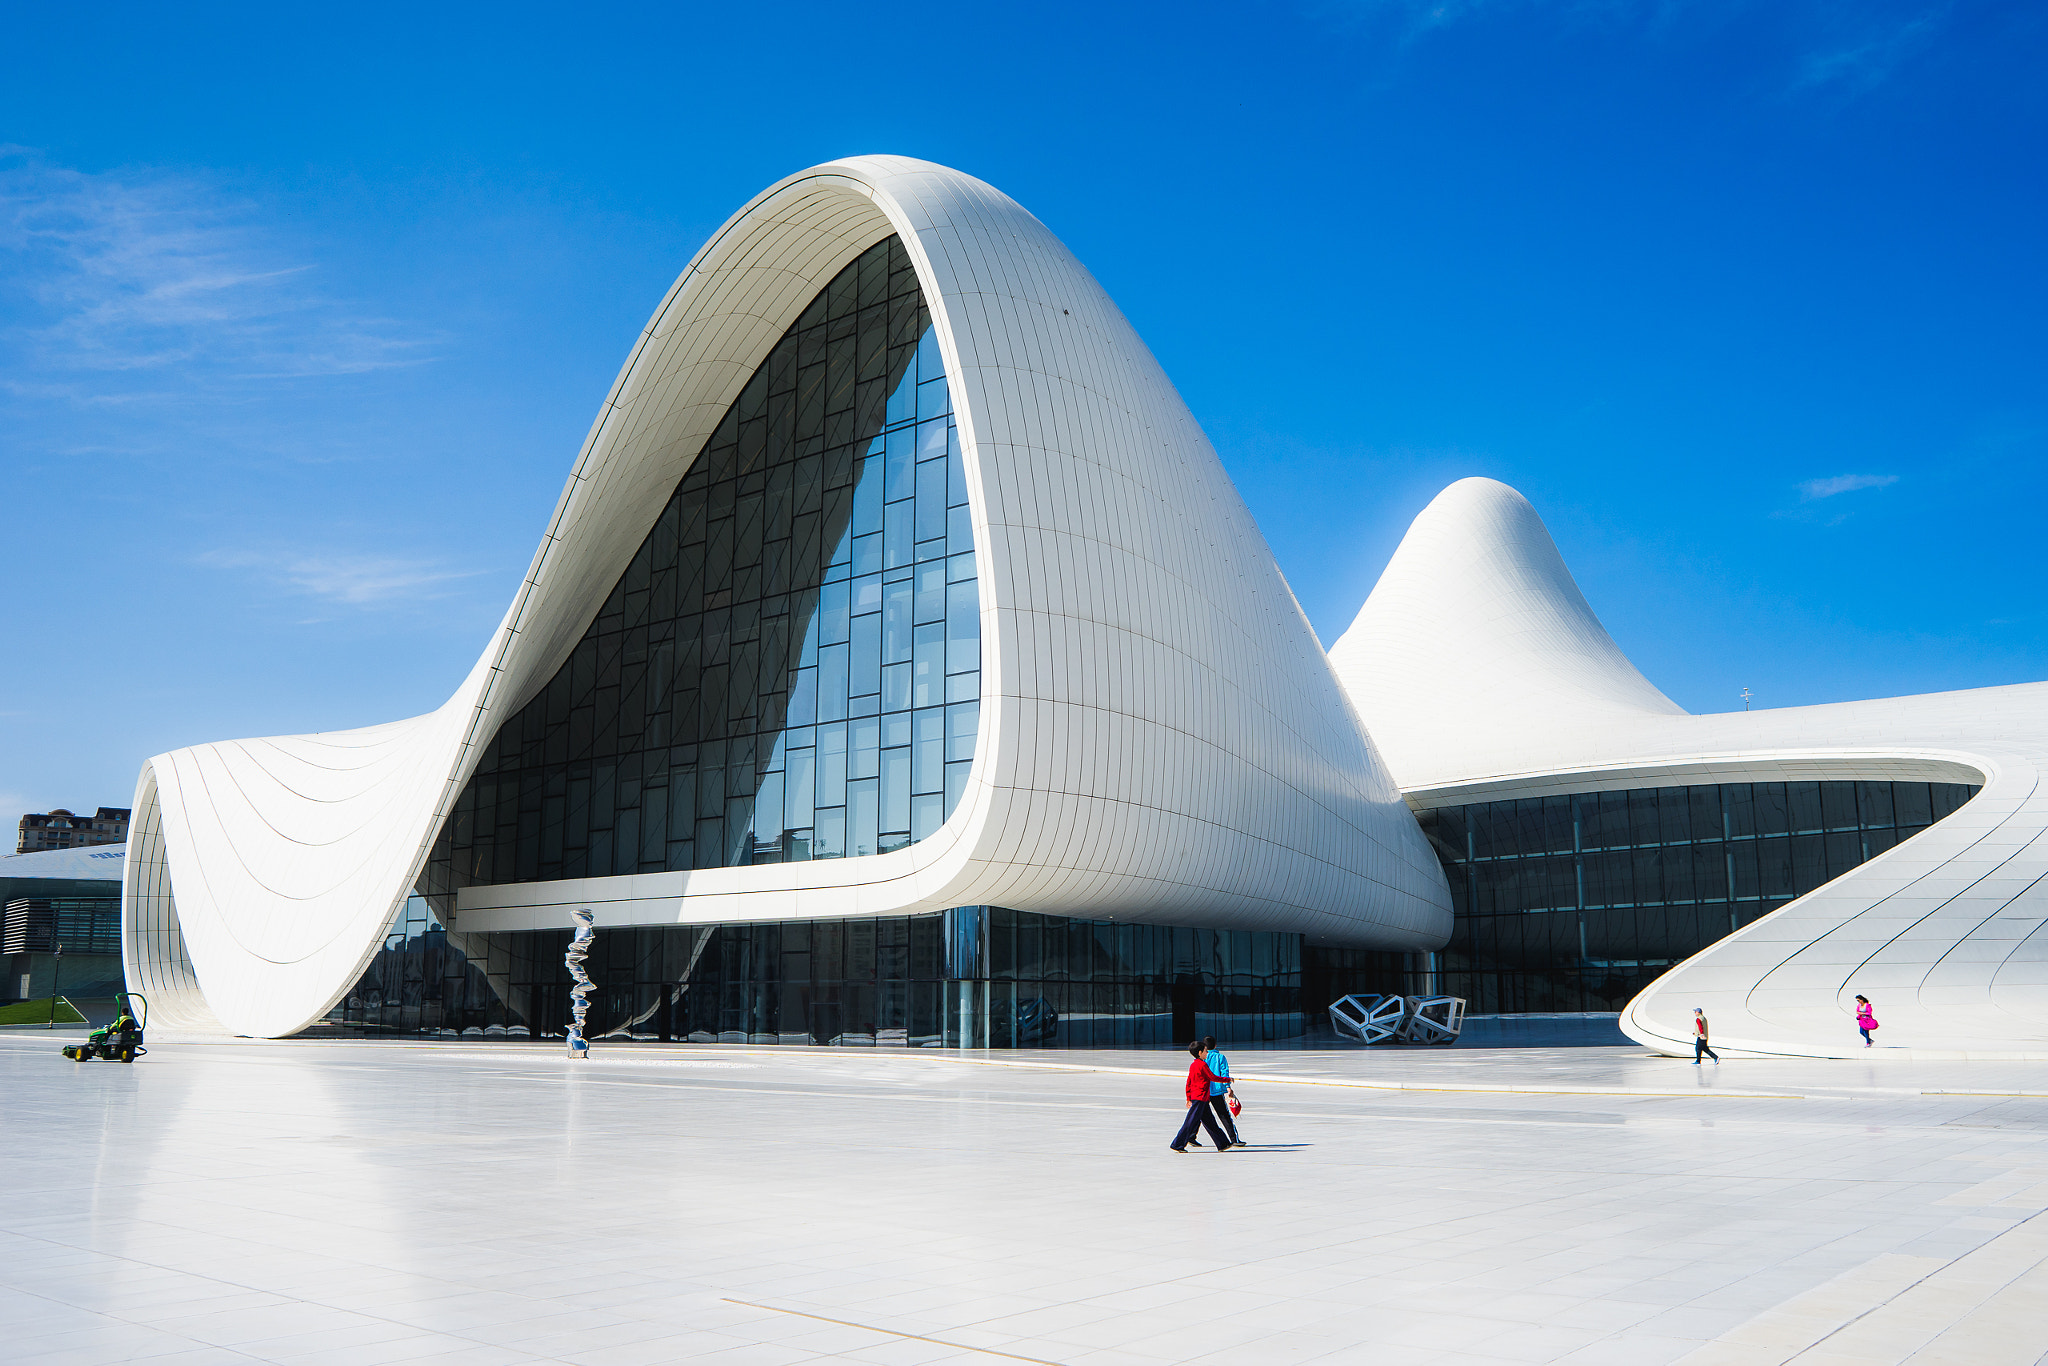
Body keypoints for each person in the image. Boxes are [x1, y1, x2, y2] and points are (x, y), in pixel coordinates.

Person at [1170, 1040, 1235, 1152]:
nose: (1207, 1053)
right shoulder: (1202, 1065)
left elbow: (1189, 1082)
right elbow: (1213, 1077)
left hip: (1201, 1099)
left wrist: (1188, 1097)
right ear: (1199, 1052)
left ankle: (1223, 1143)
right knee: (1189, 1123)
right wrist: (1227, 1079)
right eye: (1205, 1051)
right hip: (1199, 1099)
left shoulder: (1193, 1065)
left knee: (1211, 1123)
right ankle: (1177, 1144)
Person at [1202, 1036, 1243, 1147]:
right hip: (1217, 1091)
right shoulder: (1220, 1057)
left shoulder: (1202, 1058)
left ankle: (1191, 1136)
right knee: (1224, 1115)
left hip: (1204, 1091)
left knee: (1200, 1114)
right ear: (1215, 1045)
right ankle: (1234, 1139)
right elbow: (1224, 1072)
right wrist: (1228, 1087)